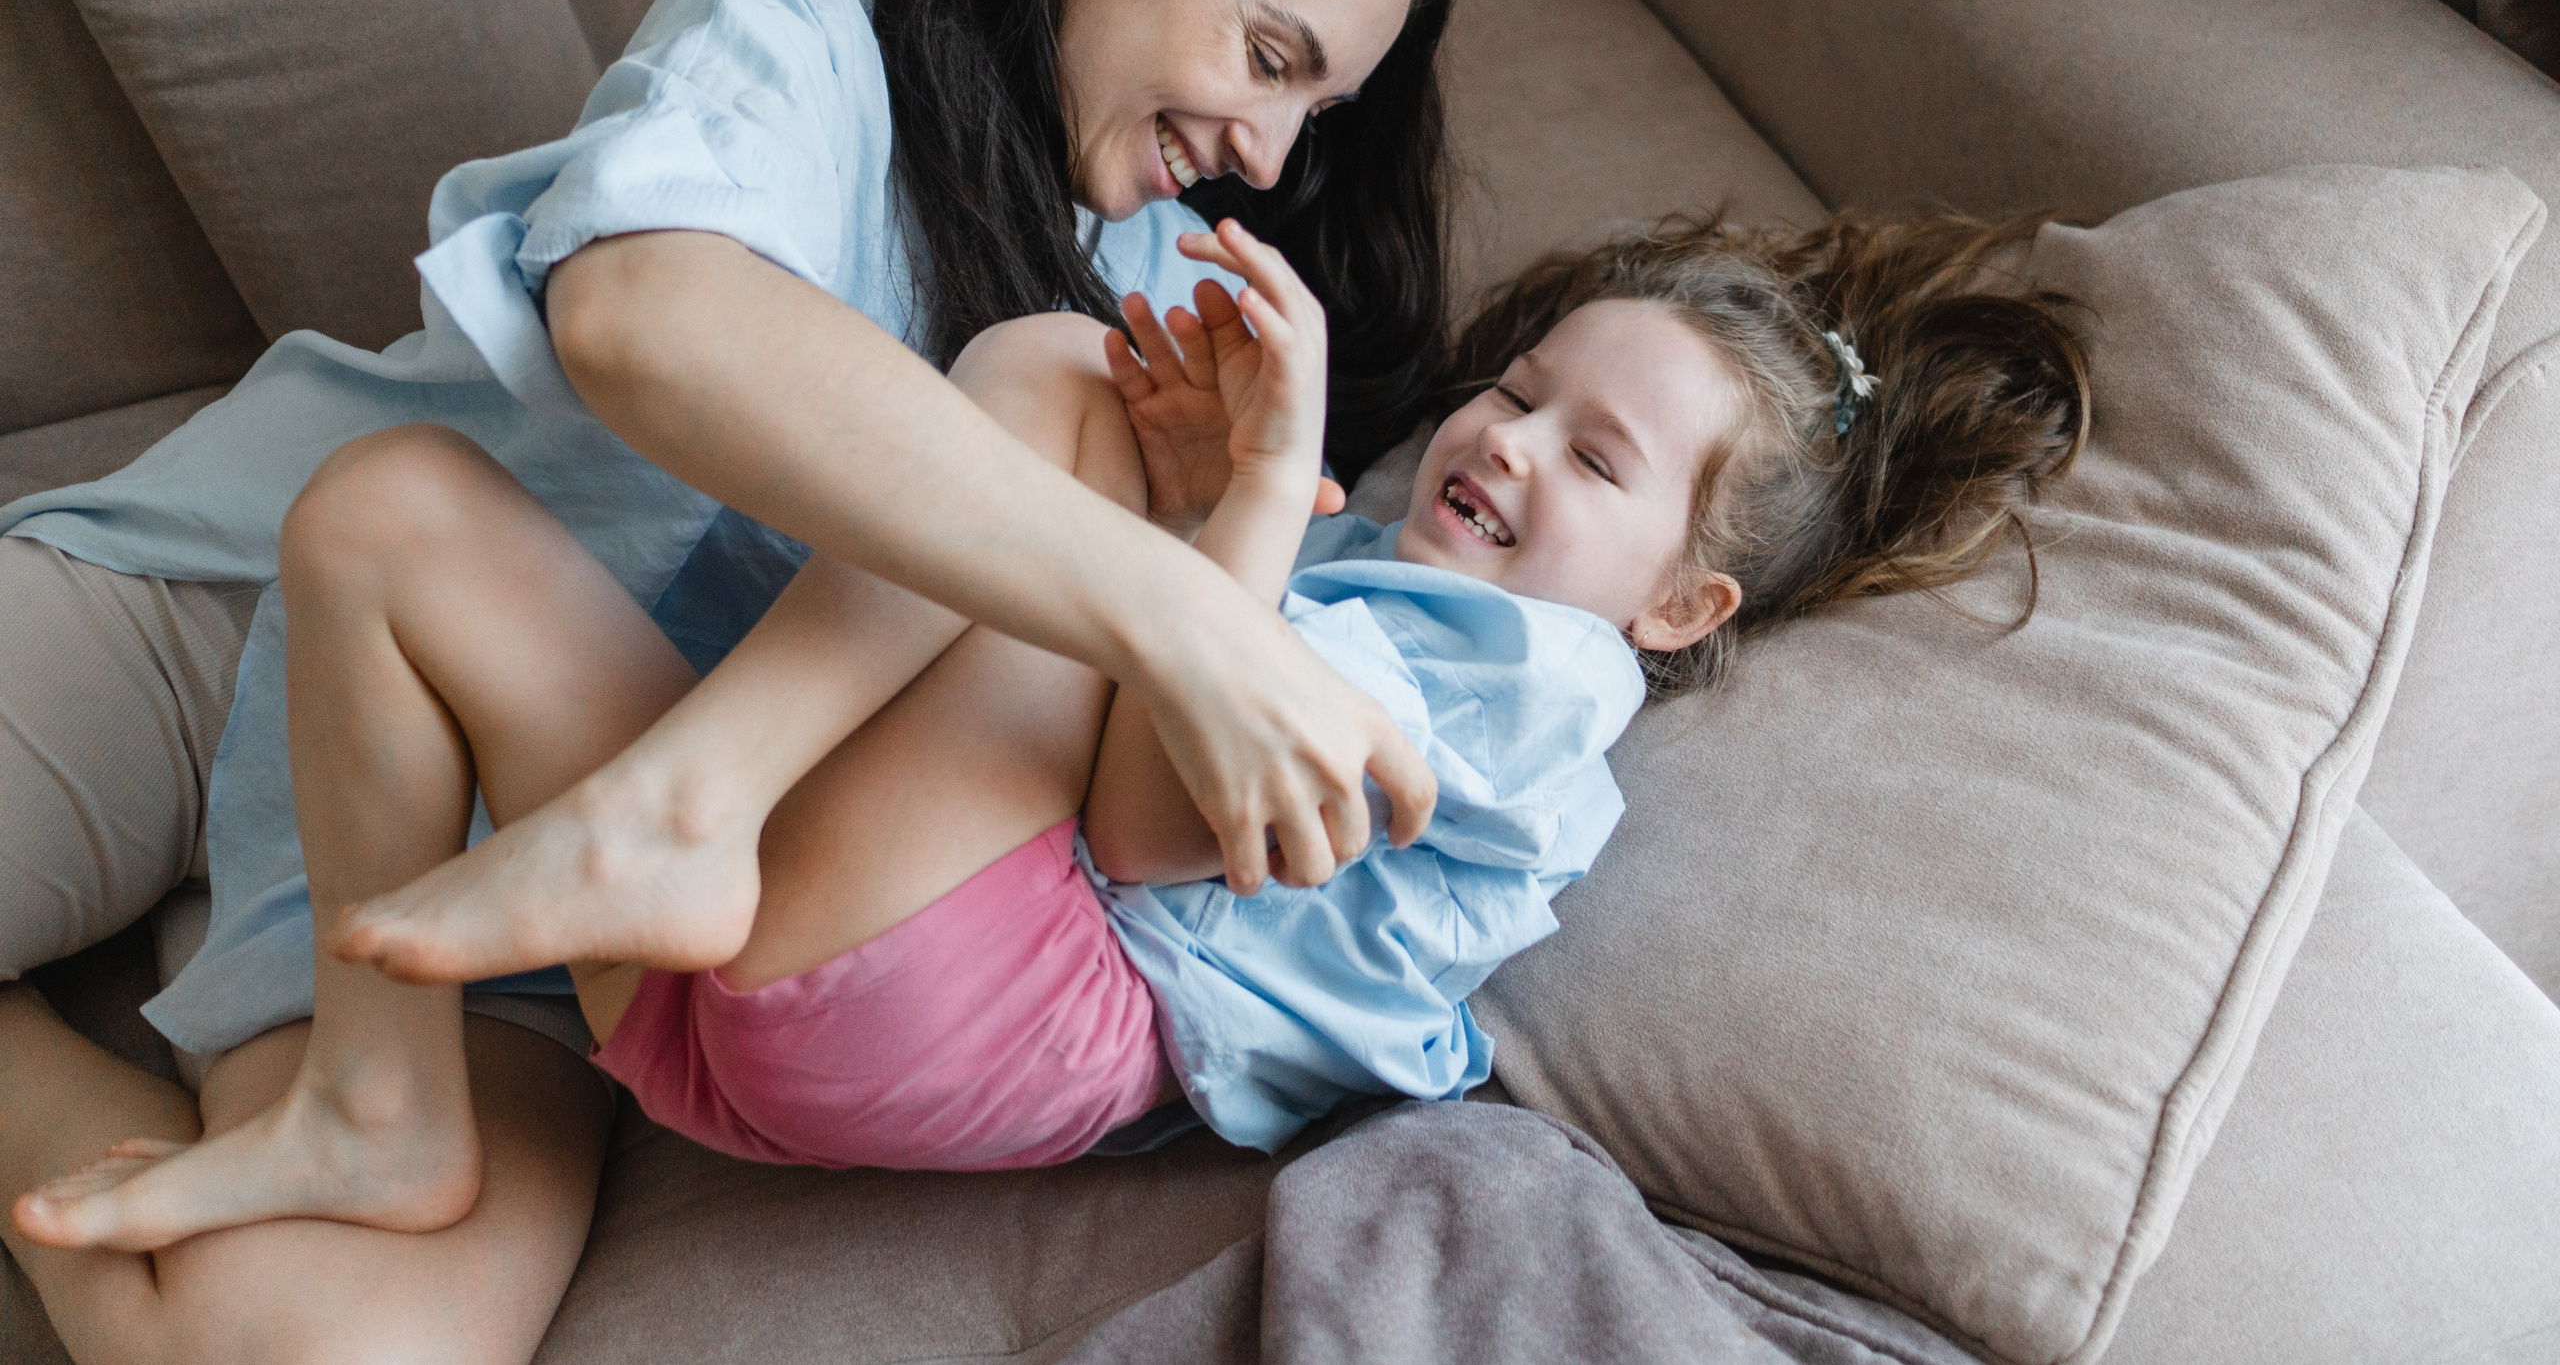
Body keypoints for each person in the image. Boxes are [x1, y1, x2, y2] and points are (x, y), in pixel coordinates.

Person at [0, 0, 1452, 1364]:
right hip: (232, 612)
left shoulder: (1148, 312)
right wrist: (1175, 610)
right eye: (1267, 58)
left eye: (1315, 114)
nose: (1266, 153)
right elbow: (649, 322)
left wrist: (1237, 524)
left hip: (514, 857)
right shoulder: (793, 45)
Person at [14, 203, 2090, 1245]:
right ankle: (387, 1107)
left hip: (995, 987)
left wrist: (1227, 506)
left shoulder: (1533, 690)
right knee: (377, 515)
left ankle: (689, 803)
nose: (1506, 437)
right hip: (823, 964)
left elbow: (1145, 814)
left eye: (1594, 454)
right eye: (1516, 386)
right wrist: (1213, 520)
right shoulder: (1401, 578)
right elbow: (1136, 671)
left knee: (1044, 383)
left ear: (1676, 602)